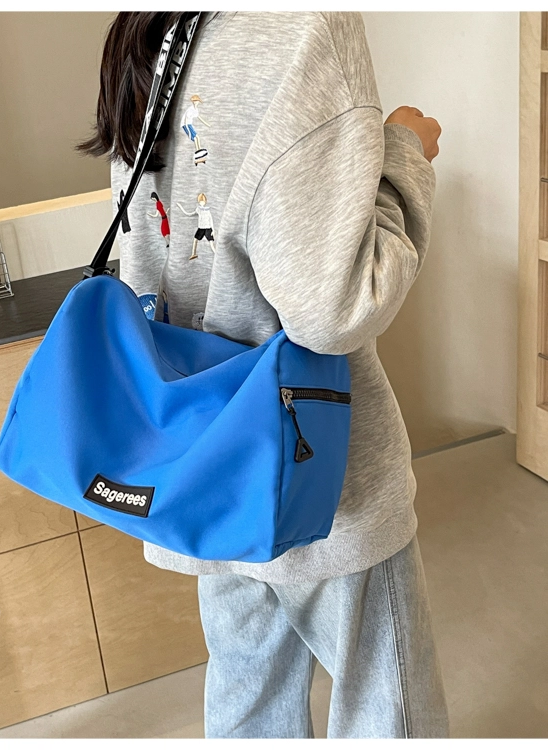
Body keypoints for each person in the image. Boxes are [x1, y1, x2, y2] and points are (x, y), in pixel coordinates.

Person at [79, 11, 446, 739]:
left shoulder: (158, 27)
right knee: (385, 701)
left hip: (200, 449)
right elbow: (334, 310)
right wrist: (403, 156)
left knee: (249, 687)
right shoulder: (306, 26)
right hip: (317, 461)